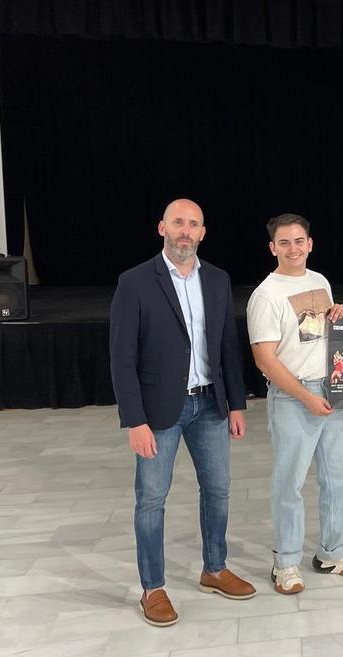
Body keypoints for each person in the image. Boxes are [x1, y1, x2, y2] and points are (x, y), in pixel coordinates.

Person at [108, 198, 255, 628]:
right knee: (152, 499)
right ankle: (153, 588)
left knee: (219, 490)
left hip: (210, 404)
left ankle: (215, 569)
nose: (185, 231)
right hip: (159, 411)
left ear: (203, 233)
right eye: (178, 223)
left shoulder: (217, 279)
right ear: (162, 228)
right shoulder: (135, 282)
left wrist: (237, 404)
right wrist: (135, 420)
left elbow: (227, 346)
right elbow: (121, 358)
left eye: (193, 224)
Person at [247, 213, 343, 595]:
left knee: (342, 475)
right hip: (293, 396)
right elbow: (264, 359)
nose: (293, 248)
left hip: (330, 390)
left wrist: (340, 315)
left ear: (310, 244)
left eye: (299, 241)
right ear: (272, 248)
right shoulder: (265, 295)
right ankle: (285, 562)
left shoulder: (320, 281)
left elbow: (319, 335)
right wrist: (306, 397)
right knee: (291, 482)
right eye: (284, 242)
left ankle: (333, 552)